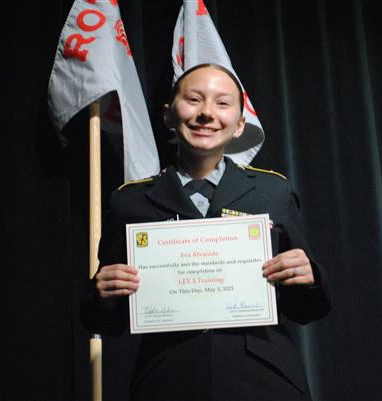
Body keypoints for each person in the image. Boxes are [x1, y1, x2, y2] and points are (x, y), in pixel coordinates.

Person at [80, 63, 331, 401]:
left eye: (222, 103)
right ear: (169, 115)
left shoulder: (273, 192)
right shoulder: (130, 202)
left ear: (240, 124)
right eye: (194, 100)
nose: (207, 114)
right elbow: (103, 321)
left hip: (264, 378)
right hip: (167, 378)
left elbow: (307, 310)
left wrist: (309, 277)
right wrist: (103, 295)